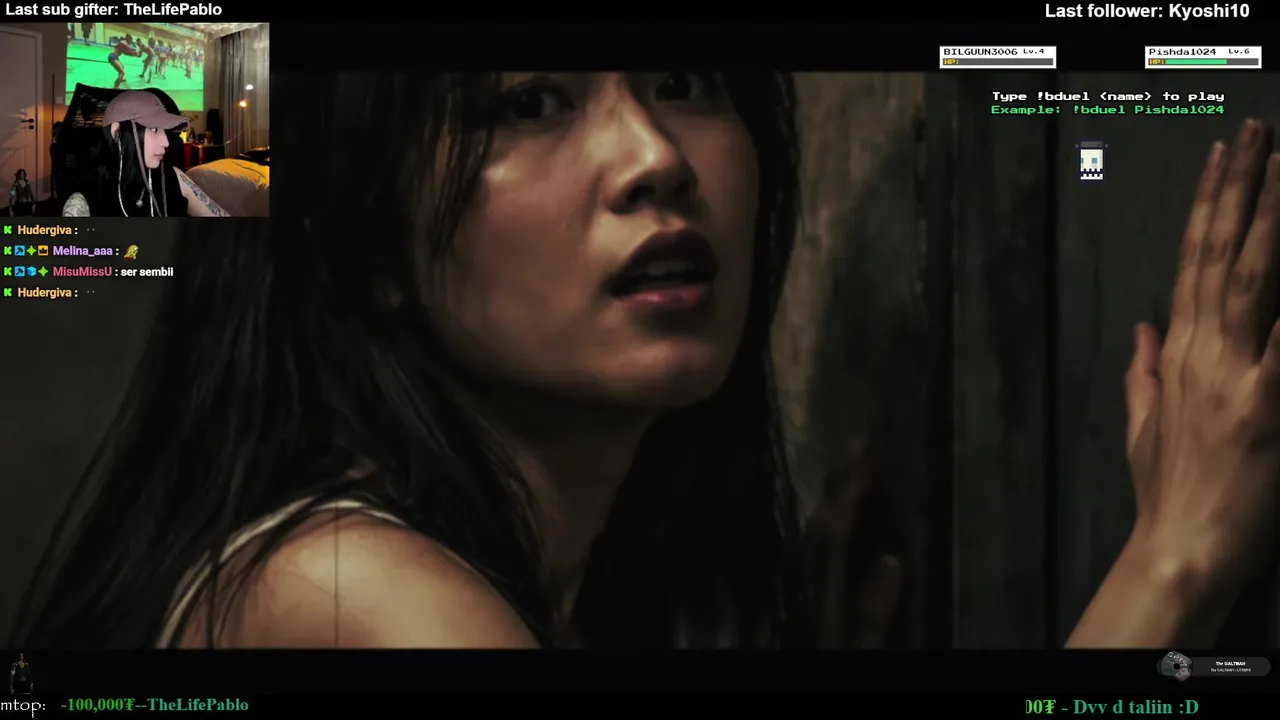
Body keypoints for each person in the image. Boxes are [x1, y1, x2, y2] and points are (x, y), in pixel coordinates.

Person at [10, 74, 1280, 652]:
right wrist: (1169, 569)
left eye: (683, 78)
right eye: (528, 102)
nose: (654, 156)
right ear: (370, 239)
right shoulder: (360, 597)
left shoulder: (529, 578)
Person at [79, 91, 226, 218]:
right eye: (154, 129)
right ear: (117, 132)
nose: (166, 142)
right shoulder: (86, 196)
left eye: (164, 131)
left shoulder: (173, 176)